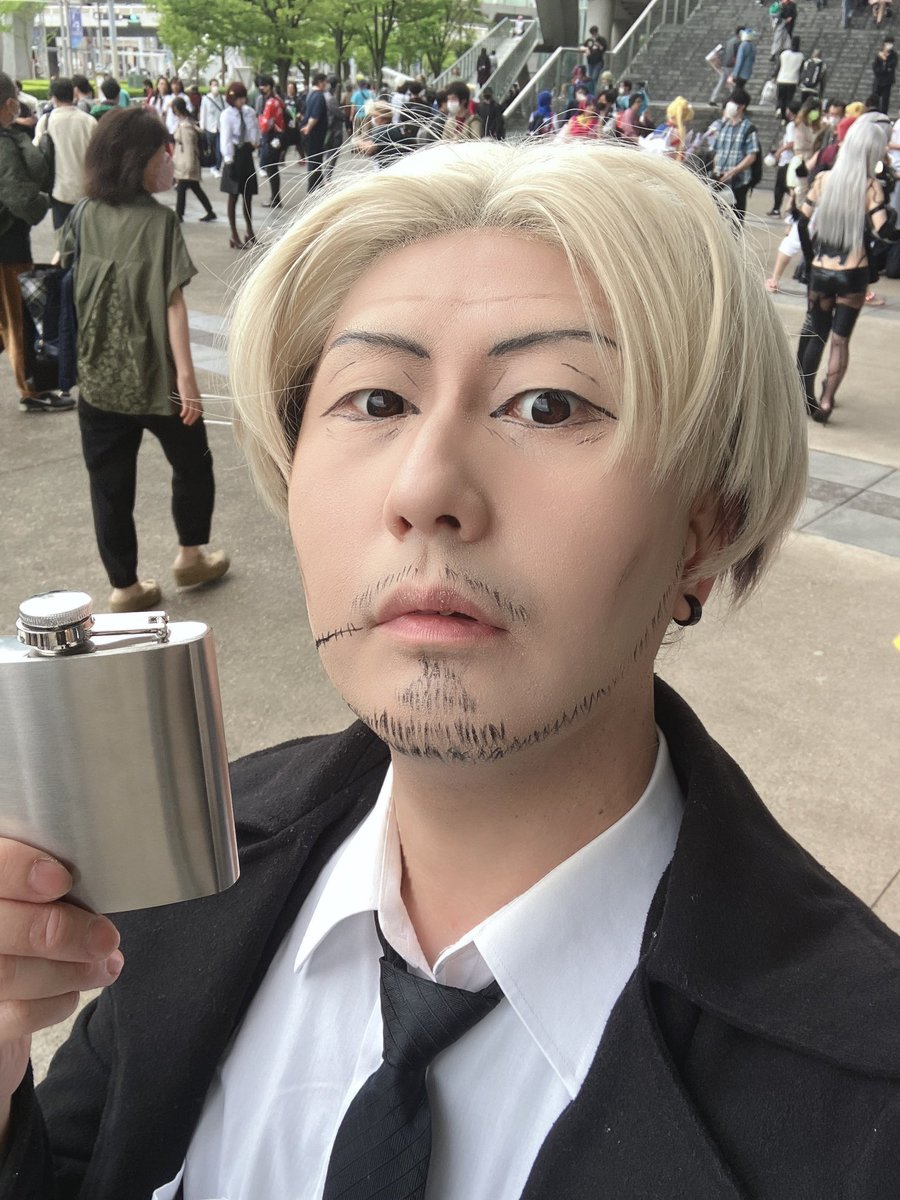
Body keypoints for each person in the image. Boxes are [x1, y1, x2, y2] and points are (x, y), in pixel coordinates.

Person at [6, 137, 900, 1200]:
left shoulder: (862, 1105)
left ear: (705, 530)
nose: (425, 489)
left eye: (550, 404)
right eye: (377, 401)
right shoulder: (200, 865)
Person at [54, 107, 229, 614]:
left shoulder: (83, 214)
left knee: (108, 486)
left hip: (98, 381)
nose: (169, 159)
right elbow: (173, 304)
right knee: (192, 463)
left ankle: (125, 588)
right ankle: (190, 556)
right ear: (138, 160)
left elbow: (67, 270)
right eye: (162, 152)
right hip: (157, 381)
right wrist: (187, 380)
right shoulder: (160, 222)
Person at [796, 113, 898, 421]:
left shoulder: (824, 180)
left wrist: (811, 259)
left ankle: (805, 398)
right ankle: (827, 402)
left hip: (821, 269)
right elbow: (884, 232)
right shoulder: (870, 187)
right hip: (854, 272)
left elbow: (801, 222)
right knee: (840, 340)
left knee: (816, 332)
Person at [0, 71, 73, 413]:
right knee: (18, 322)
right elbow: (21, 198)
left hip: (9, 244)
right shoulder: (5, 144)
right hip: (8, 246)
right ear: (9, 104)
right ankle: (31, 390)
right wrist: (43, 202)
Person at [32, 77, 96, 230]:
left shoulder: (46, 121)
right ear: (73, 94)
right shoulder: (89, 121)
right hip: (87, 193)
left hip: (60, 192)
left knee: (63, 238)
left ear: (52, 97)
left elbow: (35, 153)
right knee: (87, 237)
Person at [219, 81, 259, 249]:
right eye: (239, 98)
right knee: (233, 195)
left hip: (247, 153)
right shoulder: (227, 115)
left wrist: (255, 142)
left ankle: (250, 231)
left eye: (243, 97)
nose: (242, 101)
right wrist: (228, 158)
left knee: (248, 194)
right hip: (234, 155)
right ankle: (234, 234)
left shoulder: (249, 112)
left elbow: (254, 129)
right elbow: (226, 137)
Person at [712, 88, 760, 222]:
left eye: (732, 102)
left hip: (738, 181)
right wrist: (716, 170)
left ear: (742, 106)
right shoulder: (723, 125)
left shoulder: (748, 128)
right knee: (717, 217)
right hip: (720, 179)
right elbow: (716, 151)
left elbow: (752, 155)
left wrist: (734, 171)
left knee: (735, 219)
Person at [172, 96, 216, 223]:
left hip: (186, 162)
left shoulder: (185, 126)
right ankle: (209, 211)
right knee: (195, 188)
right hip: (187, 161)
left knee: (182, 188)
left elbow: (189, 147)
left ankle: (179, 214)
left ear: (176, 109)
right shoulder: (188, 123)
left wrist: (189, 164)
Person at [257, 75, 287, 208]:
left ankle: (275, 198)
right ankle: (276, 197)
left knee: (271, 168)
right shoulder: (278, 99)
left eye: (263, 85)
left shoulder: (270, 103)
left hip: (271, 137)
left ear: (269, 86)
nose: (261, 88)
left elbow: (265, 125)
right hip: (280, 136)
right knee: (273, 167)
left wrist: (260, 119)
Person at [300, 72, 329, 195]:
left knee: (315, 160)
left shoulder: (310, 94)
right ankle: (312, 189)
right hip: (315, 133)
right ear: (320, 82)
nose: (326, 84)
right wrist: (309, 127)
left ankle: (320, 186)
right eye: (325, 82)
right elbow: (315, 116)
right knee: (315, 161)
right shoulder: (319, 96)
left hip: (309, 133)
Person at [710, 27, 742, 105]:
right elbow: (736, 55)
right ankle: (734, 100)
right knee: (730, 83)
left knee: (726, 83)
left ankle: (713, 99)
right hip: (730, 65)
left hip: (724, 64)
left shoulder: (730, 41)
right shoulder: (738, 42)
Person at [199, 79, 225, 176]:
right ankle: (213, 165)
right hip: (210, 127)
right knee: (212, 149)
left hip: (220, 127)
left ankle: (217, 167)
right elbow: (203, 113)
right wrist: (202, 126)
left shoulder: (222, 98)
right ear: (210, 87)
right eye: (213, 85)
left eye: (216, 85)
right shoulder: (206, 99)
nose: (215, 87)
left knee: (219, 148)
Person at [776, 36, 804, 118]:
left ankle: (780, 111)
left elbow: (779, 66)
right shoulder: (801, 56)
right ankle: (786, 115)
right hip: (792, 80)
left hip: (781, 79)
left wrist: (774, 76)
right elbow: (801, 70)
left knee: (781, 98)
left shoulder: (784, 53)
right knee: (789, 99)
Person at [873, 37, 897, 114]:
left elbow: (892, 66)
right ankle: (875, 111)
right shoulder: (879, 54)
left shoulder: (893, 55)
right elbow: (875, 67)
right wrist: (883, 70)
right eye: (888, 43)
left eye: (891, 43)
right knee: (875, 97)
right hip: (878, 80)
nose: (889, 45)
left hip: (887, 81)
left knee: (885, 100)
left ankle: (883, 113)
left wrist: (885, 60)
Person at [581, 24, 609, 91]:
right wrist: (586, 50)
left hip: (598, 62)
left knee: (594, 77)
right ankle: (590, 90)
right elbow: (582, 47)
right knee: (590, 77)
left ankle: (592, 91)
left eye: (594, 33)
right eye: (592, 34)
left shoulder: (601, 40)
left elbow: (604, 48)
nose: (593, 35)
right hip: (590, 62)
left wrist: (598, 44)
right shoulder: (589, 40)